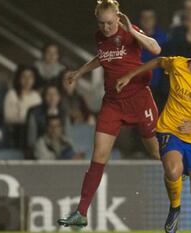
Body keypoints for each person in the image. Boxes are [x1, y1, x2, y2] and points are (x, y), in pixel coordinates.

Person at [57, 0, 161, 228]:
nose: (105, 27)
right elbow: (103, 58)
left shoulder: (129, 31)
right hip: (113, 103)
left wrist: (131, 30)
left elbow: (155, 49)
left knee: (156, 152)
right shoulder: (99, 36)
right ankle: (81, 212)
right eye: (101, 23)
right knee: (99, 155)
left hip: (139, 100)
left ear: (117, 16)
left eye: (109, 22)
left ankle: (183, 169)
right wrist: (79, 71)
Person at [116, 35, 191, 232]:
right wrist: (130, 75)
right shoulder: (178, 65)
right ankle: (175, 207)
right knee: (173, 170)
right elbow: (158, 62)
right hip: (171, 128)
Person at [4, 65, 42, 148]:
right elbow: (8, 118)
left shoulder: (36, 96)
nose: (27, 80)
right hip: (18, 131)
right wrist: (27, 121)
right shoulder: (12, 94)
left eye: (30, 77)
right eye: (24, 77)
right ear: (18, 79)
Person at [26, 83, 69, 148]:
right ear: (44, 97)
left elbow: (67, 136)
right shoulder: (34, 112)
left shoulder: (63, 112)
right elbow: (31, 141)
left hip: (60, 148)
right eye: (49, 94)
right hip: (40, 148)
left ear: (59, 97)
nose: (52, 98)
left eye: (55, 94)